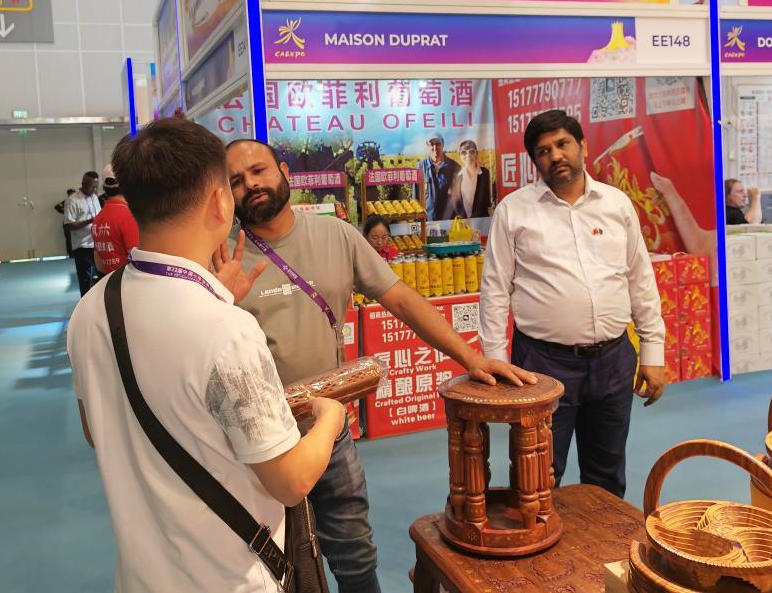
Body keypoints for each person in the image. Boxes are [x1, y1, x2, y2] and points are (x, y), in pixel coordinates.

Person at [216, 139, 536, 593]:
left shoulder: (336, 236)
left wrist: (470, 356)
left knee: (354, 552)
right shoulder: (220, 255)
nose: (251, 184)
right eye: (236, 180)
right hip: (256, 441)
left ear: (283, 172)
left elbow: (402, 300)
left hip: (328, 428)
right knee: (272, 561)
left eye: (258, 171)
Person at [67, 118, 346, 592]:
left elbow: (98, 430)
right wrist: (331, 417)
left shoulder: (92, 308)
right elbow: (291, 480)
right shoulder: (226, 331)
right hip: (231, 578)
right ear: (220, 201)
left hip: (141, 578)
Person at [478, 110, 666, 499]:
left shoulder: (616, 204)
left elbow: (640, 279)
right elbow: (494, 289)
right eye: (544, 151)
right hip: (543, 364)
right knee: (538, 476)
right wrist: (496, 361)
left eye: (563, 144)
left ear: (582, 146)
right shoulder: (515, 210)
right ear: (535, 161)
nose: (556, 156)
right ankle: (540, 539)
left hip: (614, 359)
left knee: (607, 474)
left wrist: (653, 350)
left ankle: (605, 538)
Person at [91, 166, 139, 274]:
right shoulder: (128, 216)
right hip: (128, 280)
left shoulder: (98, 219)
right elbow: (138, 261)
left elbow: (99, 265)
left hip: (110, 279)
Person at [64, 171, 101, 296]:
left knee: (101, 276)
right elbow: (68, 225)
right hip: (82, 246)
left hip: (97, 243)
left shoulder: (95, 197)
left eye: (96, 186)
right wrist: (89, 221)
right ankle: (85, 305)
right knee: (85, 280)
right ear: (83, 184)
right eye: (92, 187)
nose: (94, 190)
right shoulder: (72, 200)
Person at [417, 134, 460, 221]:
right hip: (428, 219)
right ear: (428, 146)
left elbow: (459, 197)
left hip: (449, 220)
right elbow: (416, 196)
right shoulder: (420, 166)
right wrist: (417, 219)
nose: (435, 147)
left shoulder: (454, 166)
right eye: (432, 144)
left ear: (443, 144)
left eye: (438, 144)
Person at [449, 139, 492, 218]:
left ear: (476, 154)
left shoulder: (485, 173)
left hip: (481, 221)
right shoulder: (456, 176)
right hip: (463, 222)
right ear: (459, 155)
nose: (468, 155)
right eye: (464, 152)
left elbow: (487, 200)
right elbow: (455, 202)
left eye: (472, 152)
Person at [55, 188, 75, 256]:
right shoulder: (66, 201)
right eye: (71, 194)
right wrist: (65, 212)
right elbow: (57, 207)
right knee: (68, 238)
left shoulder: (77, 201)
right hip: (67, 223)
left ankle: (75, 252)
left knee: (75, 237)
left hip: (75, 222)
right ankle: (70, 253)